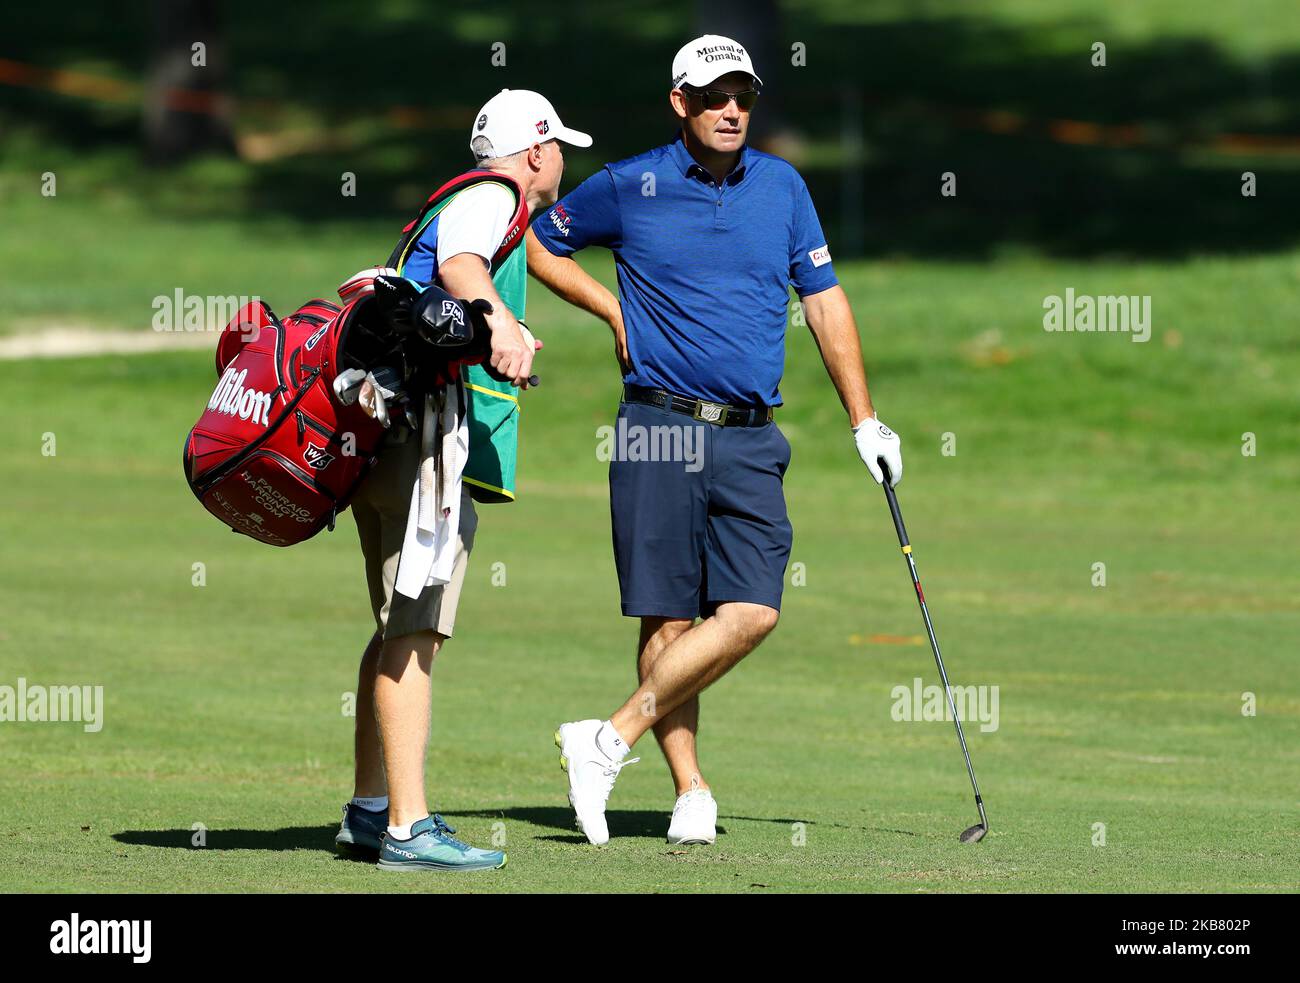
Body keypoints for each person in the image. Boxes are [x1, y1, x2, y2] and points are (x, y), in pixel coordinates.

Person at [526, 36, 903, 846]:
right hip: (660, 424)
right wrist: (611, 308)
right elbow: (535, 240)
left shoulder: (784, 187)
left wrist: (864, 419)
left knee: (752, 611)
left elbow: (826, 301)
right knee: (666, 613)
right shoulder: (632, 184)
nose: (731, 110)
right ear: (680, 103)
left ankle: (604, 739)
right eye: (713, 96)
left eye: (743, 95)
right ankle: (689, 789)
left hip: (751, 436)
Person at [335, 89, 591, 870]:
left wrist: (494, 326)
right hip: (418, 440)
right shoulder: (495, 194)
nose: (561, 164)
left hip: (381, 431)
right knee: (415, 627)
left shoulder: (463, 193)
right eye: (559, 150)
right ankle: (409, 830)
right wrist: (501, 323)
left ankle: (371, 811)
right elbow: (461, 267)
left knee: (393, 624)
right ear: (538, 150)